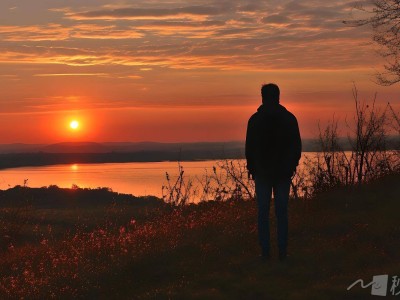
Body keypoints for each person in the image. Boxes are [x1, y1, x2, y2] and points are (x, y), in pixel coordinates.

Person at [245, 83, 301, 261]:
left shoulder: (255, 120)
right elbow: (296, 147)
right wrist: (291, 166)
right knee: (281, 212)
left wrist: (253, 169)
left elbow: (250, 149)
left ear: (262, 97)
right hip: (282, 173)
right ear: (278, 96)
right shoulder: (289, 119)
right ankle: (282, 252)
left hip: (263, 173)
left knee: (263, 212)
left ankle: (266, 252)